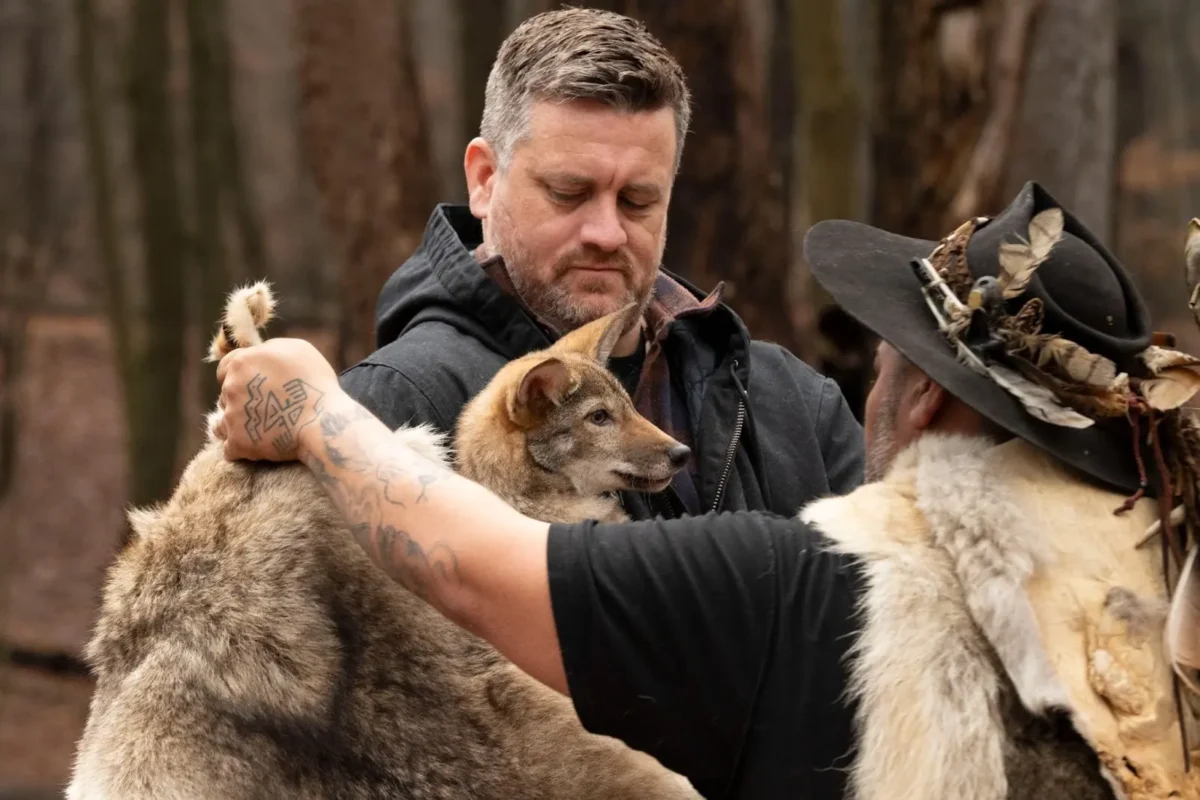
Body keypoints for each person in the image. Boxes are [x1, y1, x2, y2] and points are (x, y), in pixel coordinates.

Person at [213, 181, 1199, 799]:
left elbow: (472, 567)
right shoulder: (1168, 622)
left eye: (889, 351)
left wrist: (312, 408)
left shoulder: (799, 591)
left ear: (928, 393)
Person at [337, 8, 864, 519]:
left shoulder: (796, 402)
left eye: (638, 200)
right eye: (569, 192)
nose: (607, 234)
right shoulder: (390, 405)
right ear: (484, 180)